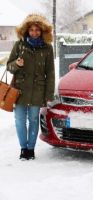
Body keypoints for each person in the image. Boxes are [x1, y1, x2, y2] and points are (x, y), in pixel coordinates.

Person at [7, 14, 55, 160]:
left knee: (33, 120)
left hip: (38, 90)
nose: (34, 32)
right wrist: (17, 64)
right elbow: (9, 66)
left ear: (42, 31)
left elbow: (50, 73)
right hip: (20, 90)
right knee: (20, 120)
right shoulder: (19, 45)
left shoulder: (47, 48)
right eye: (32, 30)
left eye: (37, 30)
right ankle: (23, 148)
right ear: (27, 30)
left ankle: (31, 149)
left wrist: (48, 95)